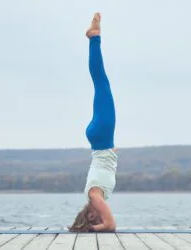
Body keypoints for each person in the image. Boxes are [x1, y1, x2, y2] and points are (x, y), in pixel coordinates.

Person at [69, 13, 117, 232]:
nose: (98, 216)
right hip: (99, 139)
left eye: (92, 217)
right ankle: (94, 37)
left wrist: (93, 228)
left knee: (101, 81)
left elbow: (111, 225)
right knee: (100, 83)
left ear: (88, 214)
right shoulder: (96, 195)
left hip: (102, 137)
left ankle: (94, 37)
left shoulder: (94, 196)